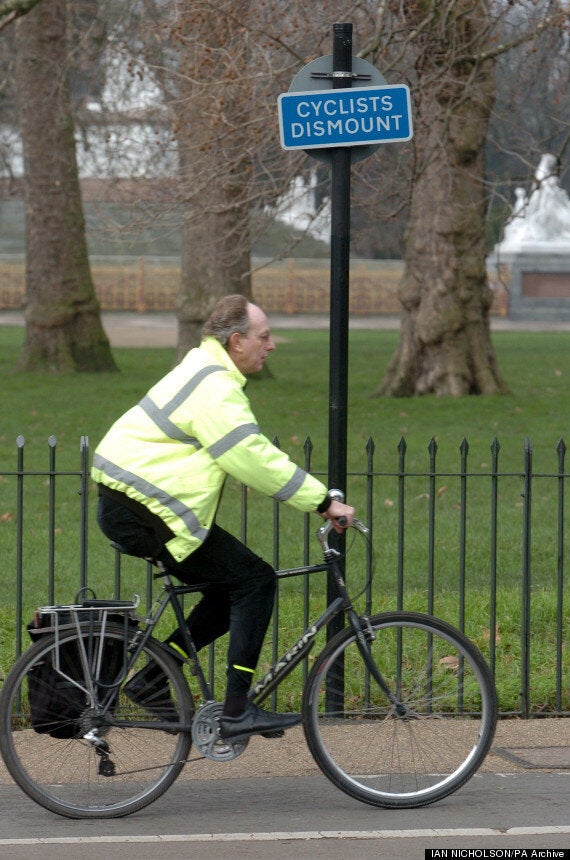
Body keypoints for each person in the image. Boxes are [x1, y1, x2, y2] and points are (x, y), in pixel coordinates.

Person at [92, 294, 354, 741]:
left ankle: (155, 676)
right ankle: (235, 710)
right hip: (143, 509)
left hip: (138, 505)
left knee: (229, 587)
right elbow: (248, 456)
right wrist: (322, 500)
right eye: (264, 337)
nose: (270, 346)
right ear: (236, 341)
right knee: (255, 581)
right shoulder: (214, 385)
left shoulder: (205, 370)